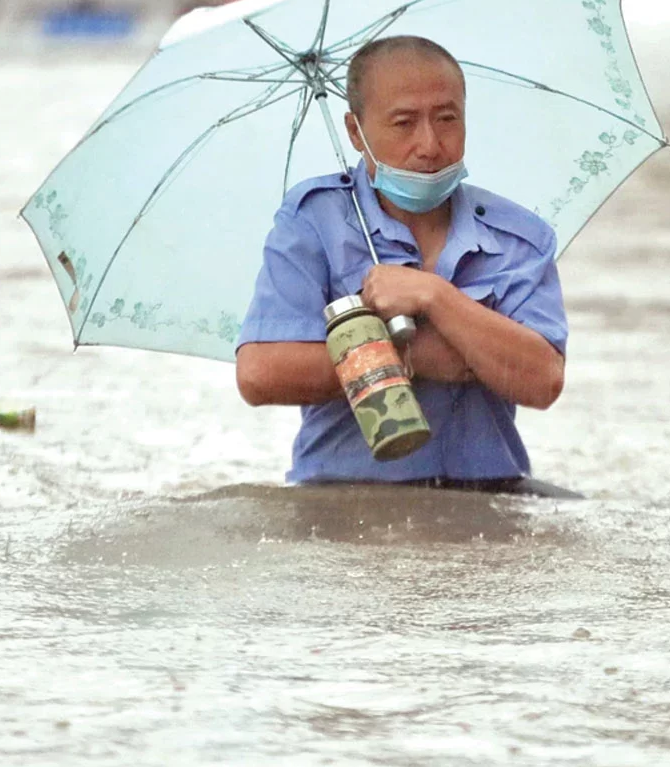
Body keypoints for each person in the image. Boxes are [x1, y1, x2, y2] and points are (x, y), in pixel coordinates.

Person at [235, 35, 568, 490]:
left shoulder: (519, 237)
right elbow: (260, 373)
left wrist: (436, 297)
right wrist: (415, 355)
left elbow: (544, 380)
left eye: (447, 119)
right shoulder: (315, 221)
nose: (430, 145)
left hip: (490, 495)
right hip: (345, 497)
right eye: (404, 123)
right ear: (356, 132)